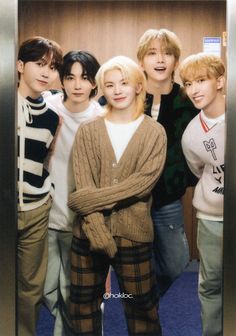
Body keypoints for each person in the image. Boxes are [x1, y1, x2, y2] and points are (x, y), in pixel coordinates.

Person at [68, 55, 167, 335]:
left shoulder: (154, 132)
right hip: (88, 233)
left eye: (124, 83)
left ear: (138, 86)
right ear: (103, 89)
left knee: (143, 310)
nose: (117, 90)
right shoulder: (88, 131)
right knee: (82, 307)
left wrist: (85, 201)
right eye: (109, 85)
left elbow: (143, 184)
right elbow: (83, 182)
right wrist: (98, 232)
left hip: (133, 235)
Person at [43, 50, 103, 336]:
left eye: (85, 78)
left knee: (75, 291)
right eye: (70, 77)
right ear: (62, 80)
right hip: (43, 212)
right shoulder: (47, 106)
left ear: (94, 83)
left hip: (79, 220)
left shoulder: (101, 117)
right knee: (42, 288)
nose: (77, 85)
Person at [136, 28, 199, 295]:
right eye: (152, 53)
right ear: (141, 61)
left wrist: (184, 179)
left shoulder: (187, 99)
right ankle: (141, 311)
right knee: (134, 266)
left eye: (167, 53)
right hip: (131, 198)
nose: (160, 59)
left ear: (175, 60)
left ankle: (147, 301)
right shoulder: (130, 96)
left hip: (168, 197)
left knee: (175, 263)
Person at [17, 36, 63, 336]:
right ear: (20, 66)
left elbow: (46, 160)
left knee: (31, 287)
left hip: (35, 208)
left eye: (52, 66)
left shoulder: (52, 116)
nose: (46, 72)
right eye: (39, 64)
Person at [180, 53, 225, 336]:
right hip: (211, 218)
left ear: (219, 81)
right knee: (211, 284)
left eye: (201, 80)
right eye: (187, 83)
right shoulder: (191, 134)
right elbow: (199, 171)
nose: (194, 89)